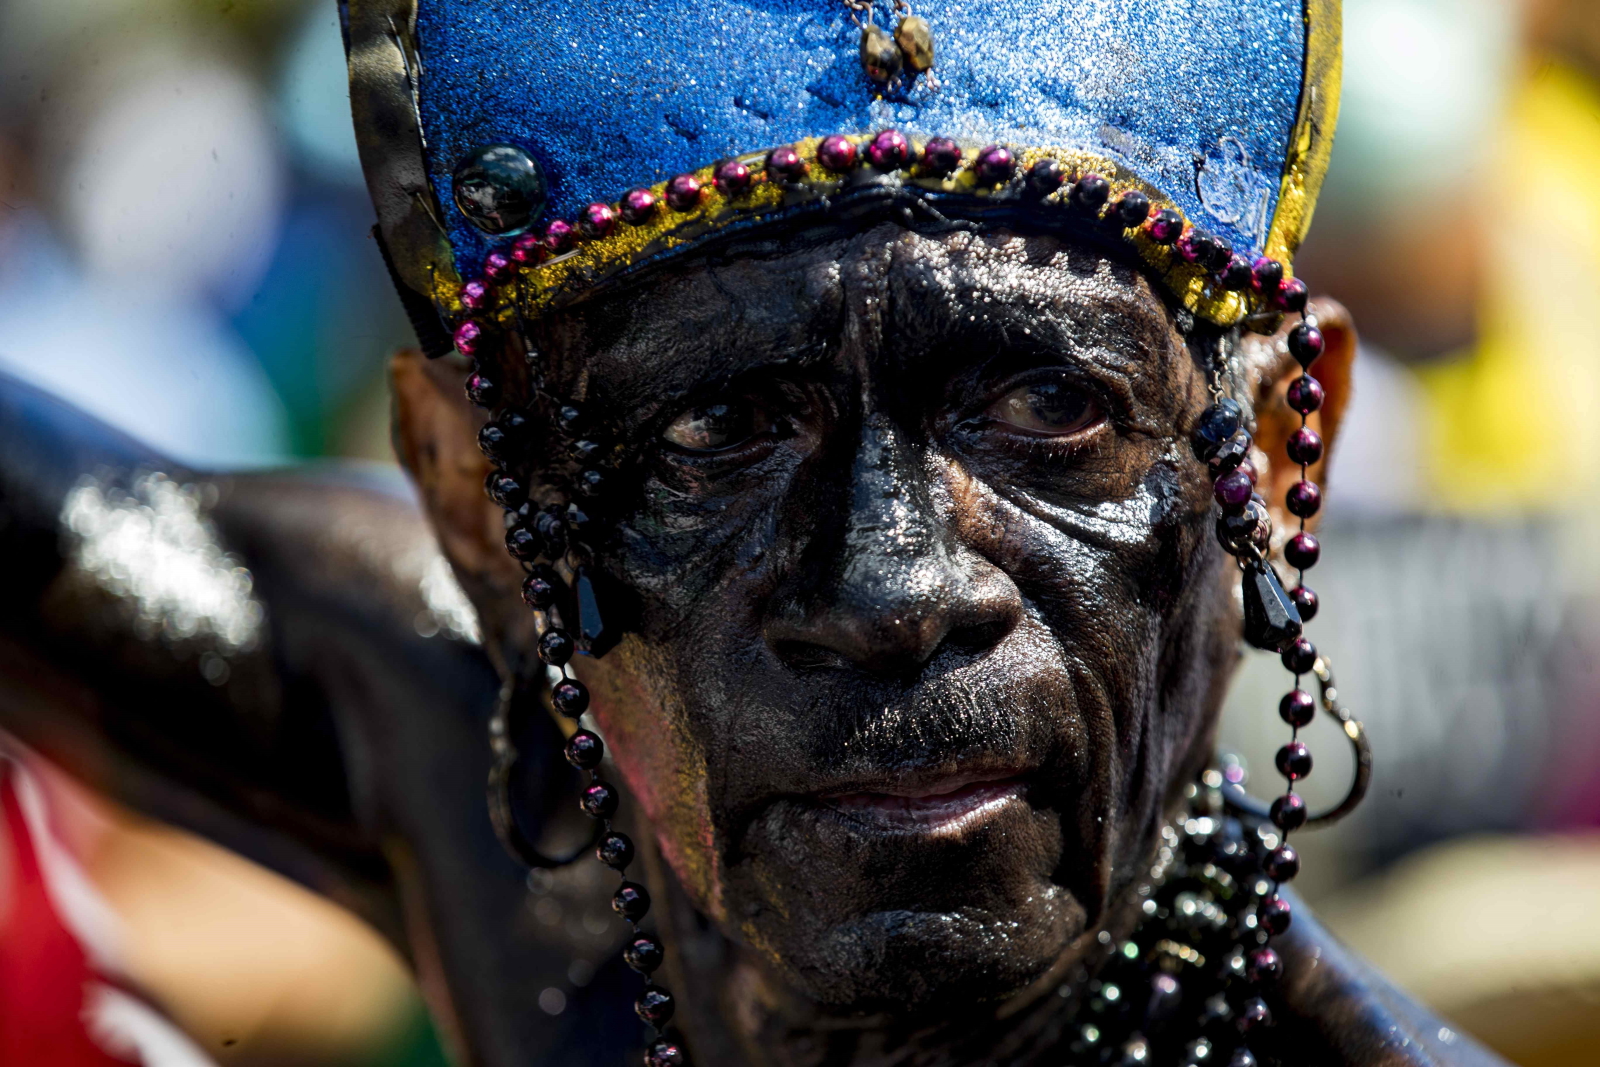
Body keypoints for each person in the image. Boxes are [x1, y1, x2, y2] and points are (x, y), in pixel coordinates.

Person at [0, 0, 1511, 1064]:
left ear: (1284, 442)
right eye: (713, 433)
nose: (892, 588)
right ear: (473, 504)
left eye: (1052, 408)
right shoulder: (491, 797)